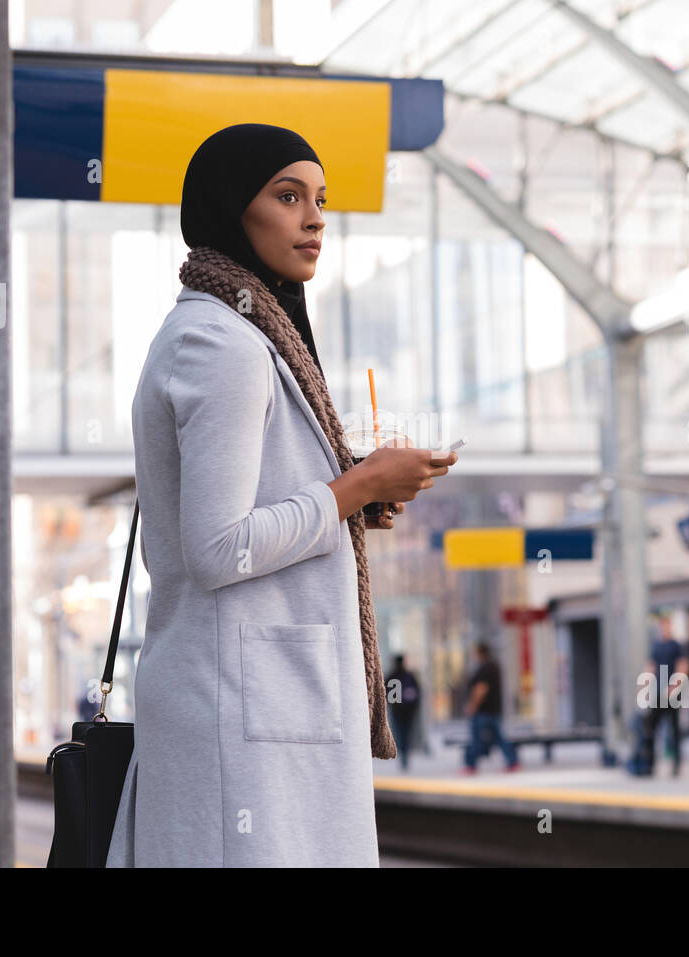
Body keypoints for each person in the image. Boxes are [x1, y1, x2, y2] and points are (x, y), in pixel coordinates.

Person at [105, 124, 458, 867]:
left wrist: (352, 497)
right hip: (239, 718)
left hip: (249, 706)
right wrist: (354, 484)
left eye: (321, 199)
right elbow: (217, 546)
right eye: (287, 195)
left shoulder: (233, 331)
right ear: (233, 207)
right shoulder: (222, 345)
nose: (315, 218)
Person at [461, 641, 519, 773]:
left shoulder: (485, 667)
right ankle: (513, 761)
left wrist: (472, 705)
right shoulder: (494, 665)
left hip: (483, 710)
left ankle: (471, 765)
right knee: (499, 737)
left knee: (476, 738)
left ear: (480, 652)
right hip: (493, 709)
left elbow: (481, 689)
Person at [641, 616, 688, 776]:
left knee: (674, 729)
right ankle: (649, 763)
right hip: (658, 693)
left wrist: (673, 687)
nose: (664, 629)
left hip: (672, 693)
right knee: (651, 727)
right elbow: (651, 667)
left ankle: (676, 764)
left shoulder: (676, 646)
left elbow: (682, 667)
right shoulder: (656, 646)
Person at [385, 654, 421, 772]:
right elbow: (417, 693)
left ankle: (403, 757)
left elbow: (385, 694)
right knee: (406, 734)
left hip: (398, 711)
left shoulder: (392, 676)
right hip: (408, 711)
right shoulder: (409, 676)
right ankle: (405, 757)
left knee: (400, 734)